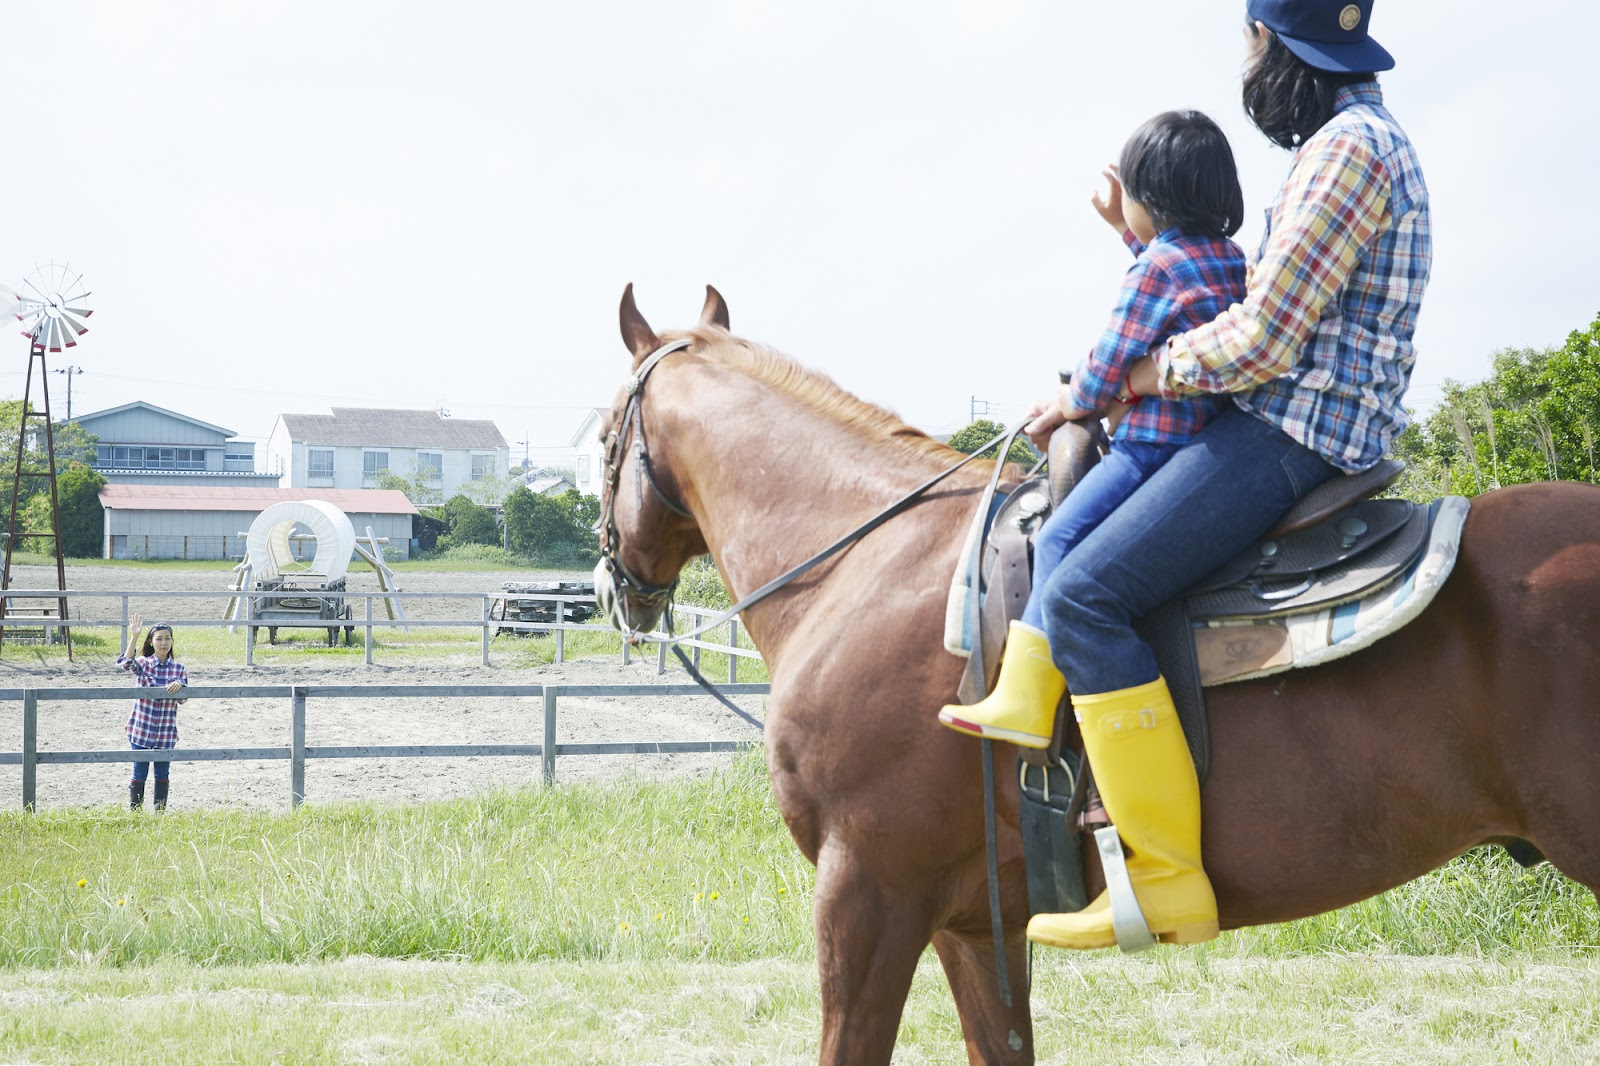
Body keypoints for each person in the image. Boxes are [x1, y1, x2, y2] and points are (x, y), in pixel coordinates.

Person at [1017, 0, 1432, 951]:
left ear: (1281, 48)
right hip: (1298, 418)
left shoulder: (1344, 153)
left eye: (1251, 42)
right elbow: (1229, 291)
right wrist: (1137, 252)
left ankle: (1162, 878)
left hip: (1292, 431)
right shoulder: (1354, 142)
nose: (1246, 64)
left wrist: (1129, 378)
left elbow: (1260, 337)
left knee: (1080, 594)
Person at [939, 109, 1248, 746]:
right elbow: (1177, 288)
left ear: (1151, 199)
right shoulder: (1226, 257)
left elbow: (1107, 364)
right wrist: (1125, 229)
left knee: (1061, 541)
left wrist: (1064, 403)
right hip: (1208, 444)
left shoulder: (1155, 270)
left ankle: (1025, 698)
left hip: (1150, 448)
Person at [118, 614, 188, 811]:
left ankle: (159, 814)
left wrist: (180, 686)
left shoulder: (179, 669)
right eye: (159, 638)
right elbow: (125, 663)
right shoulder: (143, 664)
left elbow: (183, 699)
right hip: (142, 728)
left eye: (167, 638)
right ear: (151, 641)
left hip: (165, 731)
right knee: (139, 772)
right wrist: (134, 636)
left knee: (162, 774)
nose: (163, 643)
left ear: (172, 641)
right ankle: (136, 813)